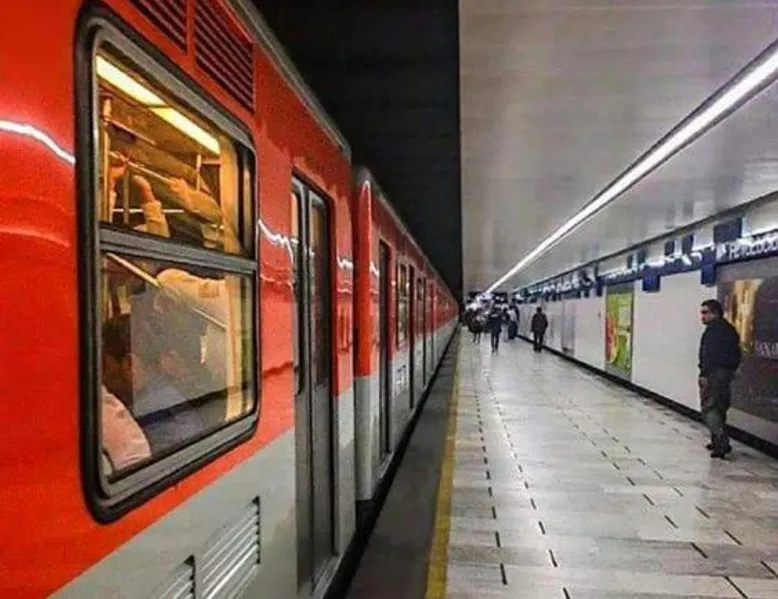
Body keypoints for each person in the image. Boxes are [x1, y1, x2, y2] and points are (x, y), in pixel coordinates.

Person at [698, 299, 741, 458]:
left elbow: (707, 355)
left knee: (709, 408)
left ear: (715, 313)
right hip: (726, 373)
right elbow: (737, 353)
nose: (702, 316)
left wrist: (704, 374)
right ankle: (716, 441)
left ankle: (721, 442)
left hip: (713, 374)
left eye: (705, 312)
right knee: (720, 407)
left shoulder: (712, 332)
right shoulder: (730, 329)